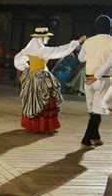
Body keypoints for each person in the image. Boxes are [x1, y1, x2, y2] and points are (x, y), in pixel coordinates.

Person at [14, 27, 86, 134]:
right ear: (41, 38)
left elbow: (17, 61)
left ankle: (33, 125)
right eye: (45, 37)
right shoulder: (43, 51)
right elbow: (60, 50)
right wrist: (77, 42)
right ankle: (44, 126)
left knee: (33, 100)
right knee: (47, 100)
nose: (47, 39)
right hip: (42, 77)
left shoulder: (27, 50)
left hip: (32, 77)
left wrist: (28, 67)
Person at [78, 15, 112, 150]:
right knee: (96, 112)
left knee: (93, 110)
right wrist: (97, 76)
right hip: (101, 79)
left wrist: (92, 58)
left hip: (88, 79)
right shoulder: (111, 41)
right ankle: (85, 140)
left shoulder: (89, 41)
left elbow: (81, 58)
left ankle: (95, 137)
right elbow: (110, 62)